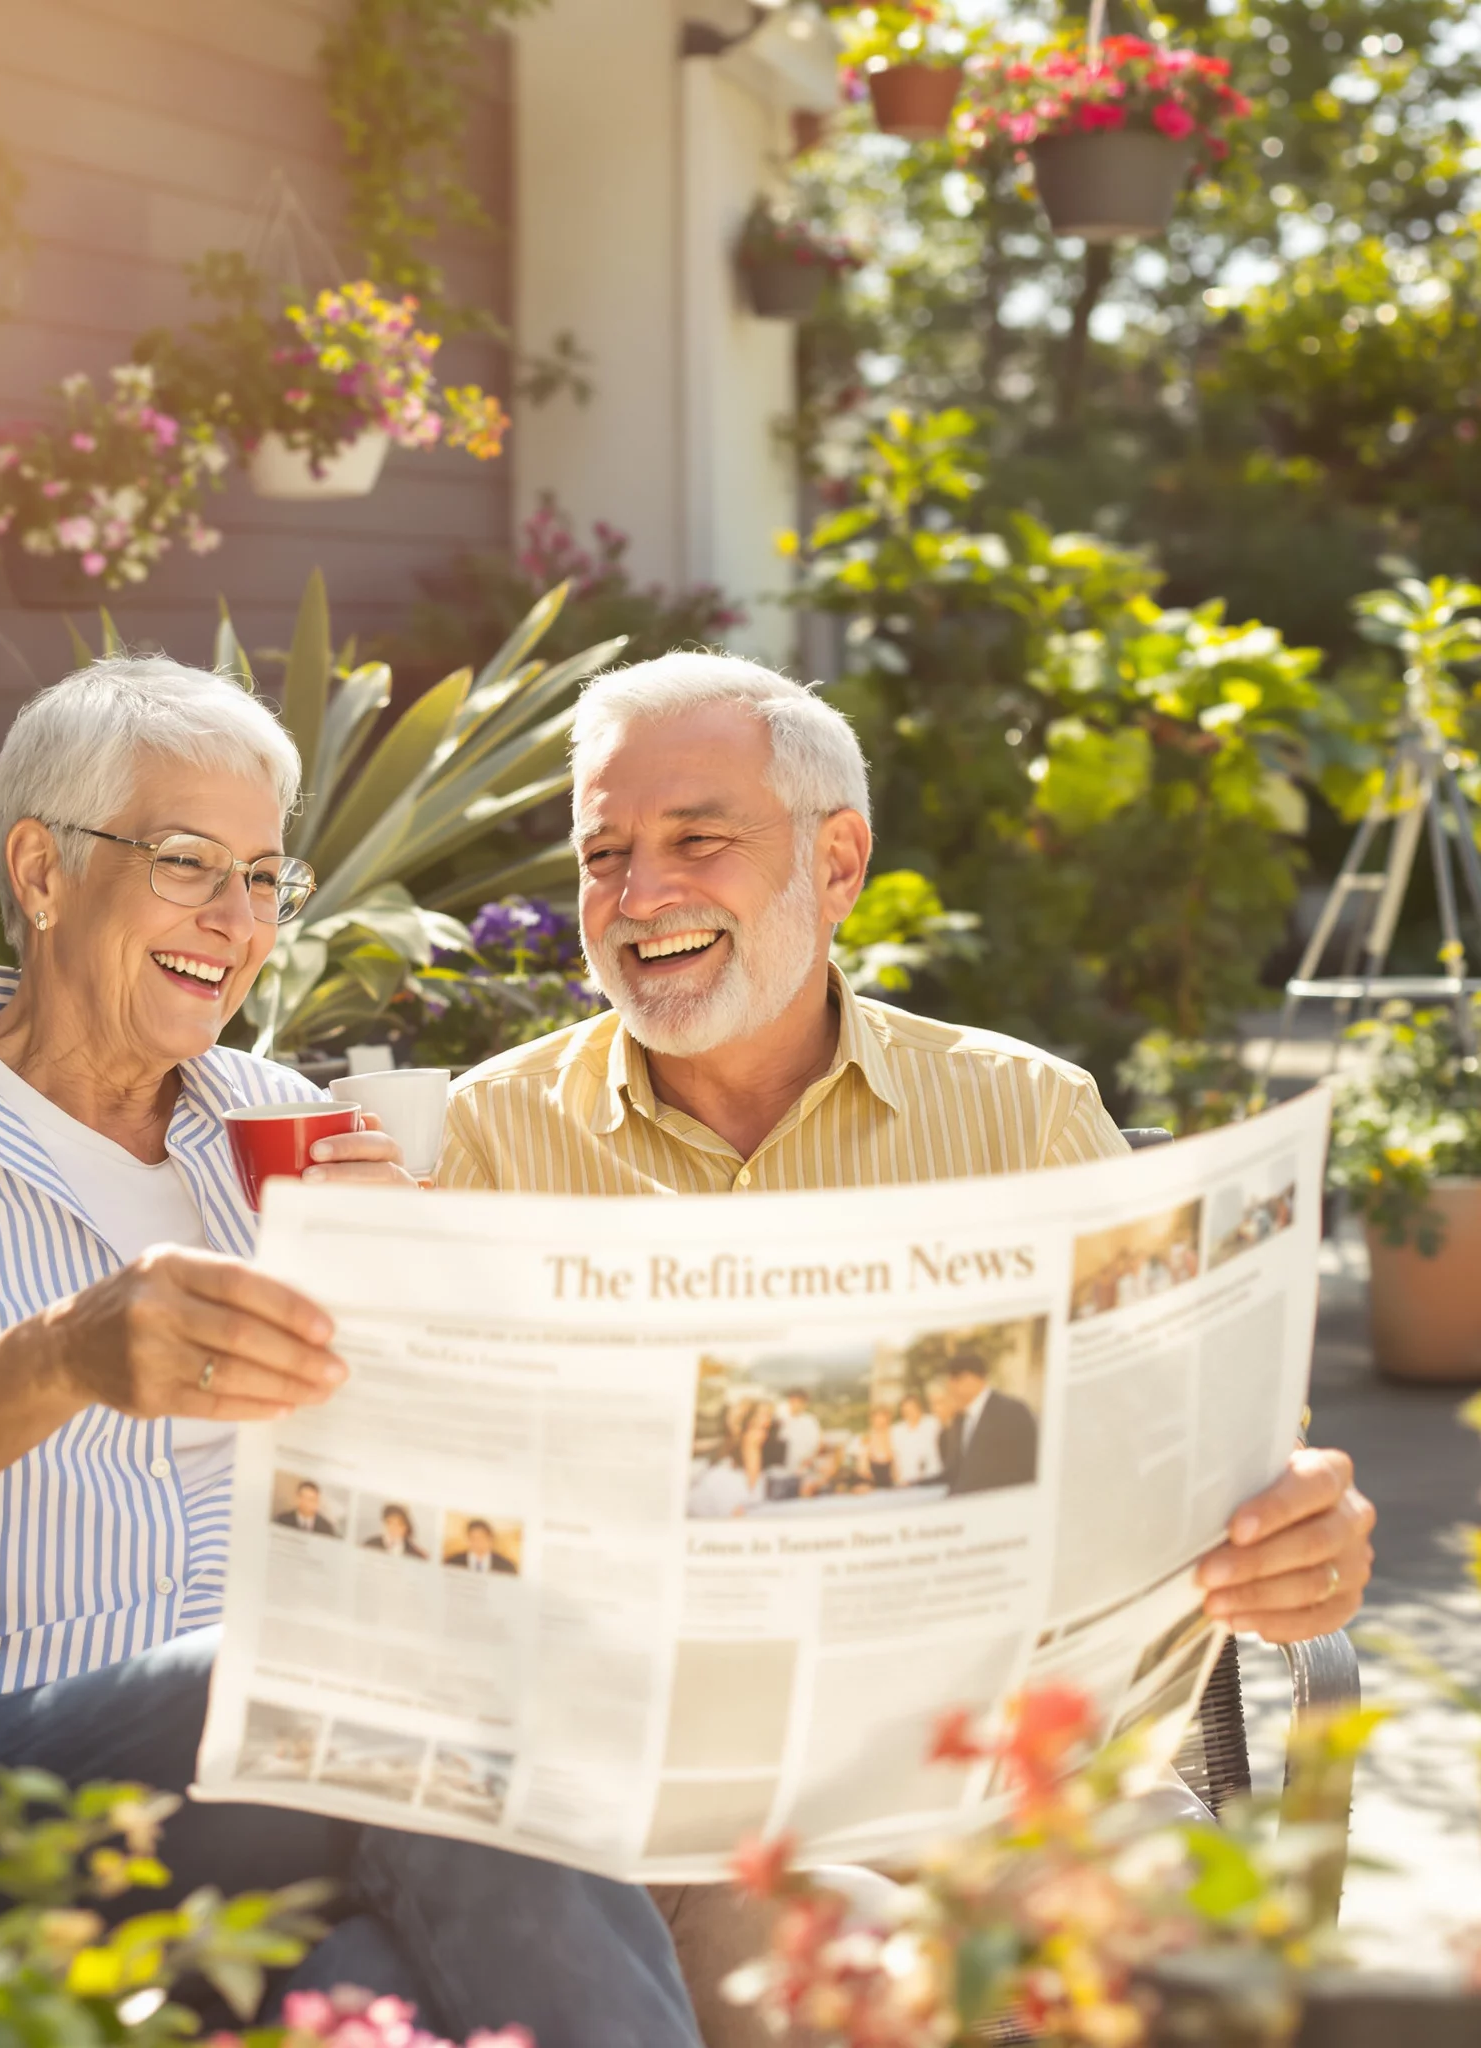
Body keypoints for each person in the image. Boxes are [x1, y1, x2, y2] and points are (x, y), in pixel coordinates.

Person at [0, 654, 703, 2048]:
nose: (239, 918)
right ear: (38, 871)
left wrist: (433, 1326)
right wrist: (55, 1363)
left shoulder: (272, 1123)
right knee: (394, 1700)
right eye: (192, 863)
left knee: (376, 1991)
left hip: (269, 1808)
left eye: (268, 879)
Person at [433, 650, 1379, 2047]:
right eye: (604, 855)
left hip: (997, 1791)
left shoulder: (1024, 1115)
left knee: (1100, 1935)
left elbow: (1218, 1461)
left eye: (699, 840)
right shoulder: (481, 1141)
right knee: (805, 1939)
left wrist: (1302, 1529)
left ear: (838, 861)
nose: (639, 899)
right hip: (665, 1814)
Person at [938, 1353, 1039, 1494]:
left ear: (969, 1379)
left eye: (952, 1381)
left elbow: (1027, 1468)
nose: (950, 1389)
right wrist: (912, 1484)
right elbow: (954, 1472)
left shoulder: (1013, 1412)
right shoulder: (959, 1420)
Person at [687, 1398, 782, 1517]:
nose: (761, 1435)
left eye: (766, 1428)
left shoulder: (760, 1474)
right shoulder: (721, 1476)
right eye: (755, 1426)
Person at [890, 1392, 944, 1485]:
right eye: (905, 1409)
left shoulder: (934, 1423)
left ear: (919, 1407)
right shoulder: (896, 1430)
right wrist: (897, 1479)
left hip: (934, 1476)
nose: (909, 1411)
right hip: (907, 1481)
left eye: (912, 1408)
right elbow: (895, 1457)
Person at [446, 1517, 519, 1574]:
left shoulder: (507, 1567)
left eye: (482, 1538)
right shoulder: (452, 1562)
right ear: (467, 1540)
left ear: (490, 1540)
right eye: (473, 1538)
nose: (477, 1543)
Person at [850, 1404, 897, 1491]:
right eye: (877, 1418)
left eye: (883, 1417)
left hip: (891, 1479)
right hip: (872, 1478)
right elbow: (862, 1466)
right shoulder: (866, 1437)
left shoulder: (895, 1434)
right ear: (872, 1419)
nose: (880, 1421)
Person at [776, 1389, 822, 1475]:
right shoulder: (779, 1419)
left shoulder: (810, 1421)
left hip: (802, 1471)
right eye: (793, 1401)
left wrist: (808, 1462)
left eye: (800, 1402)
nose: (796, 1405)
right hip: (780, 1471)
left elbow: (818, 1444)